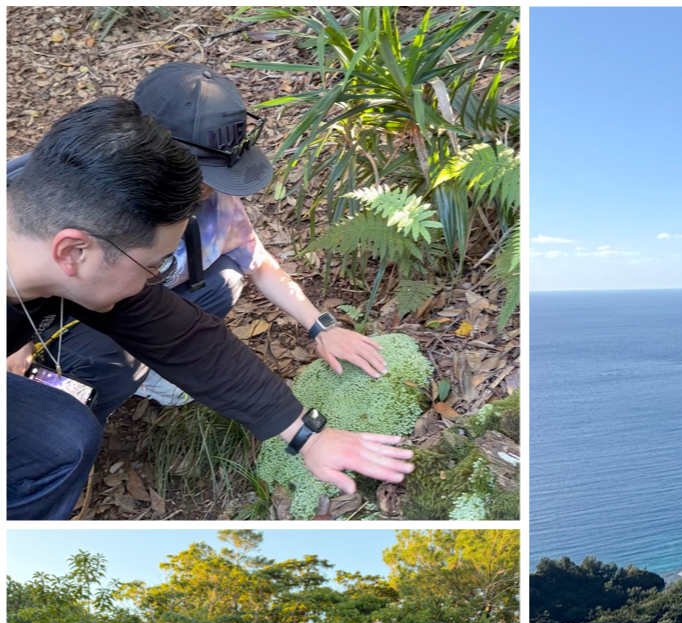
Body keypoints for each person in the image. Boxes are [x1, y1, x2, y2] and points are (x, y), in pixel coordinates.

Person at [6, 97, 412, 519]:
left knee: (62, 438)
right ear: (73, 252)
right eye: (153, 265)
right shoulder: (76, 248)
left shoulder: (43, 224)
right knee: (60, 442)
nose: (156, 278)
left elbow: (181, 338)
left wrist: (304, 434)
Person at [28, 63, 389, 415]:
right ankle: (83, 407)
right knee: (106, 374)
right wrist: (17, 343)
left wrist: (320, 326)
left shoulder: (208, 196)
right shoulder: (87, 190)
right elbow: (28, 269)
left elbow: (257, 262)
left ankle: (149, 366)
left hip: (144, 302)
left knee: (226, 278)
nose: (205, 190)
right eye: (201, 175)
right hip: (70, 318)